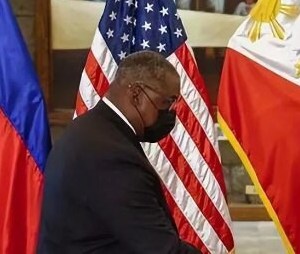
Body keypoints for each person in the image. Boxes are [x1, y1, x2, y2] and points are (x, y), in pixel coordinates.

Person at [38, 51, 201, 254]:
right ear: (136, 94)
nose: (169, 113)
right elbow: (159, 248)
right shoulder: (112, 156)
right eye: (166, 102)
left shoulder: (91, 130)